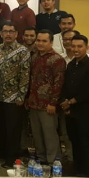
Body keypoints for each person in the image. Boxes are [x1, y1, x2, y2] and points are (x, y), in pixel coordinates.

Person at [60, 34, 89, 177]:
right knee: (73, 140)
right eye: (73, 46)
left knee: (83, 140)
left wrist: (70, 102)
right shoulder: (71, 64)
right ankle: (76, 169)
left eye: (79, 46)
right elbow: (66, 86)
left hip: (84, 109)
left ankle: (85, 172)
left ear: (87, 47)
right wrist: (65, 103)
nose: (76, 49)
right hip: (70, 109)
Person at [0, 22, 31, 168]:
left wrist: (21, 96)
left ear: (16, 34)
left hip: (14, 98)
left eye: (11, 31)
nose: (8, 34)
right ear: (1, 34)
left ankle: (12, 157)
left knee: (13, 130)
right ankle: (3, 152)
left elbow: (25, 75)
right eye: (5, 31)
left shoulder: (23, 51)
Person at [27, 30, 66, 166]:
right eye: (38, 40)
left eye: (44, 41)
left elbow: (59, 83)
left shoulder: (57, 59)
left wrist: (53, 103)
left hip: (48, 105)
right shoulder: (34, 57)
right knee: (37, 134)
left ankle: (53, 161)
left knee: (49, 134)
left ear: (51, 42)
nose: (40, 43)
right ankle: (41, 159)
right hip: (34, 102)